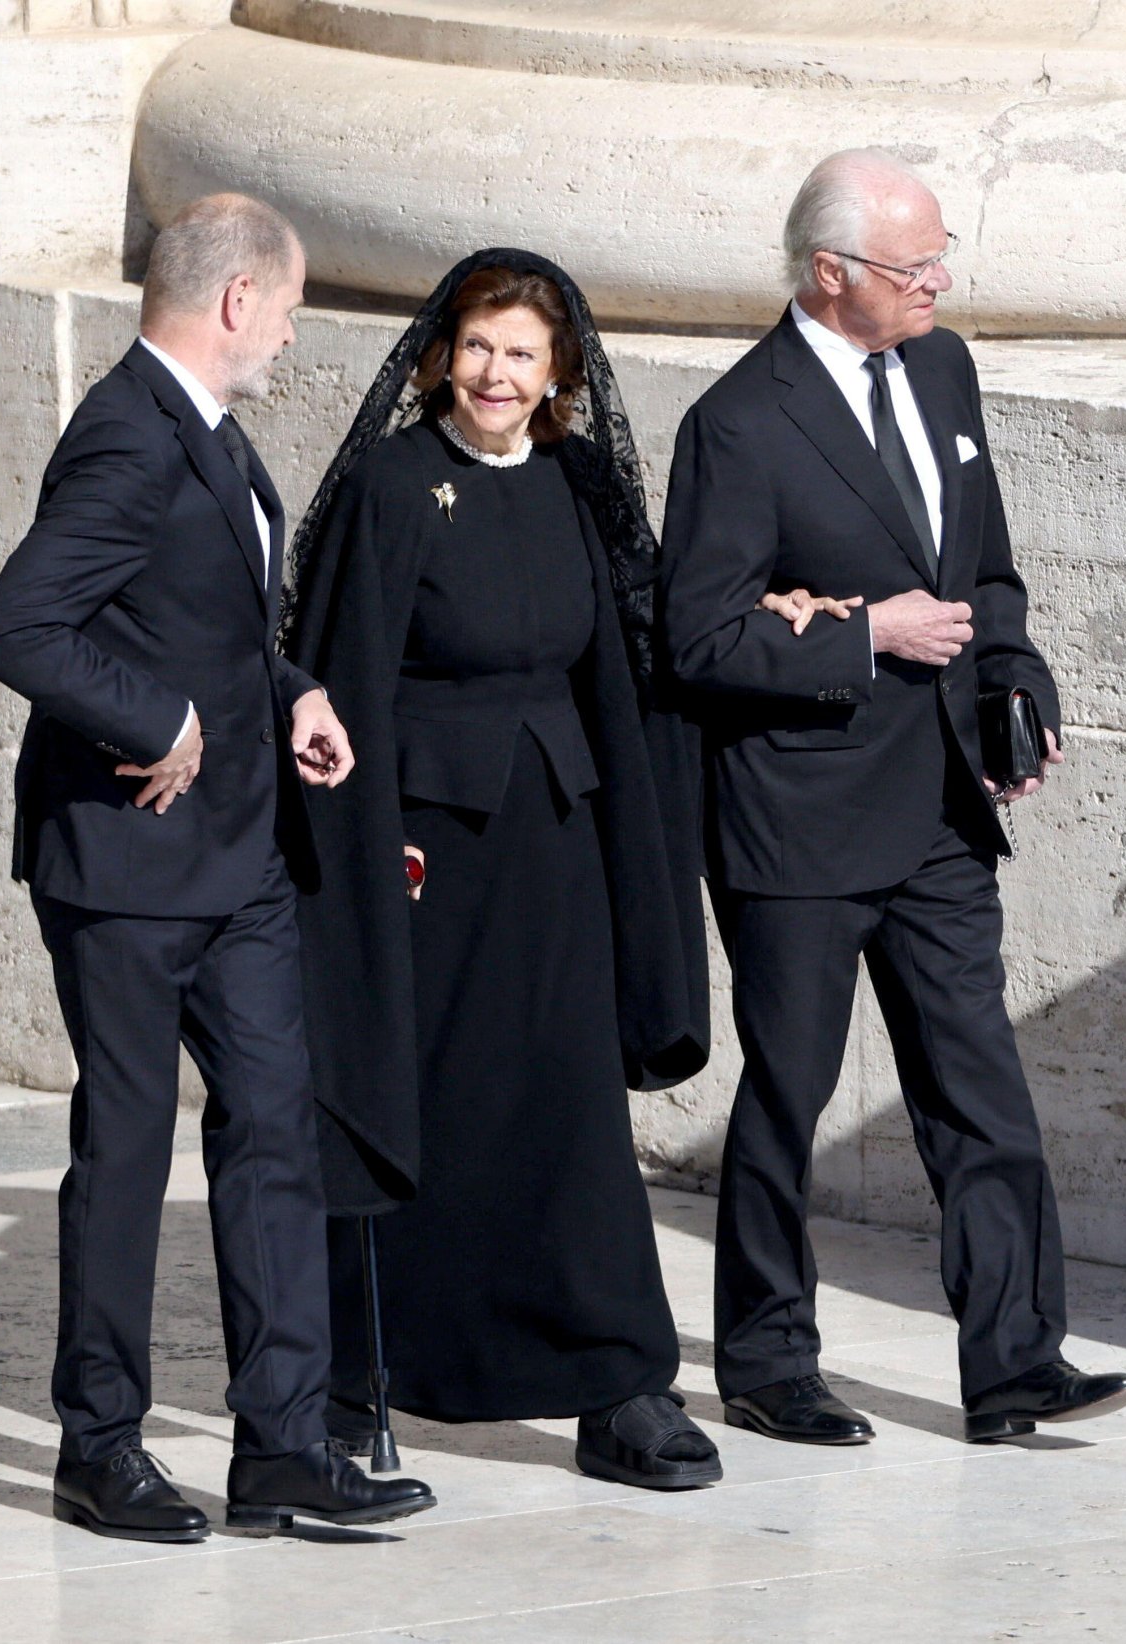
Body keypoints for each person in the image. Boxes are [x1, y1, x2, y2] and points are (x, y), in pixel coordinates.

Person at [661, 149, 1126, 1446]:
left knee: (978, 1088)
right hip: (798, 819)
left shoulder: (943, 368)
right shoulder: (740, 422)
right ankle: (766, 1361)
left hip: (937, 809)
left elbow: (985, 573)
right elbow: (697, 639)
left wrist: (1015, 678)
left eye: (939, 260)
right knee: (790, 1094)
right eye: (911, 264)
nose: (938, 281)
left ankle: (1015, 1360)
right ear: (831, 275)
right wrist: (865, 635)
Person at [0, 194, 434, 1540]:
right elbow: (17, 625)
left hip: (239, 861)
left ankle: (283, 1443)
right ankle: (97, 1446)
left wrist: (286, 690)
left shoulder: (212, 437)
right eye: (288, 310)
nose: (292, 336)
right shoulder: (124, 435)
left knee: (276, 1134)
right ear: (237, 301)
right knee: (124, 1152)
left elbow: (202, 620)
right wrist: (157, 720)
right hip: (120, 868)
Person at [281, 248, 725, 1490]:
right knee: (422, 1106)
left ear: (558, 375)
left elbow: (626, 664)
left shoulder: (578, 481)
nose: (495, 373)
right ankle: (356, 1374)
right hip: (426, 850)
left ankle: (616, 1381)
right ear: (439, 353)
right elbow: (345, 672)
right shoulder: (391, 482)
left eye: (521, 354)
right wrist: (369, 849)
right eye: (478, 346)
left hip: (558, 840)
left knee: (569, 1111)